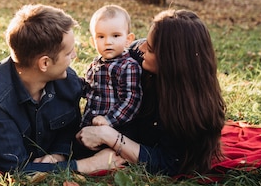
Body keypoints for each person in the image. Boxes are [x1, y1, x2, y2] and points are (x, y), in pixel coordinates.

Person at [76, 9, 227, 175]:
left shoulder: (192, 110)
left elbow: (169, 163)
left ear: (171, 61)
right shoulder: (135, 59)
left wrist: (109, 137)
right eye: (145, 41)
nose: (141, 48)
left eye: (150, 48)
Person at [0, 4, 85, 173]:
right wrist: (85, 165)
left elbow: (70, 130)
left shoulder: (68, 81)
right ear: (44, 63)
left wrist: (59, 155)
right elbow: (13, 167)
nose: (74, 56)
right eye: (68, 53)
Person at [79, 5, 142, 129]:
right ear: (93, 42)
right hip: (90, 123)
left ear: (128, 39)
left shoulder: (128, 66)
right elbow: (89, 89)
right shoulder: (95, 63)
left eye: (116, 36)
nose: (108, 42)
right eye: (101, 37)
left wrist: (108, 120)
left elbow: (131, 100)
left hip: (116, 127)